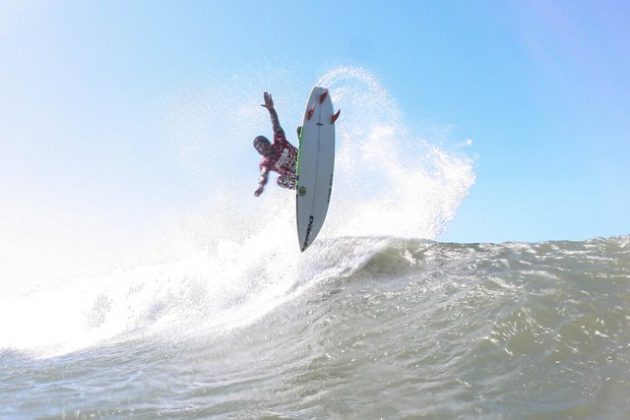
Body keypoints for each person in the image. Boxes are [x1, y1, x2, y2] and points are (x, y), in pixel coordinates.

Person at [253, 92, 298, 197]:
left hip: (304, 159)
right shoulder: (266, 163)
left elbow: (275, 124)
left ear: (268, 143)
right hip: (297, 176)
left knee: (300, 131)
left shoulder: (279, 140)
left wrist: (271, 109)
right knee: (280, 181)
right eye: (260, 149)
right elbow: (263, 174)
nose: (264, 150)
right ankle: (303, 188)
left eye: (264, 146)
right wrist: (261, 185)